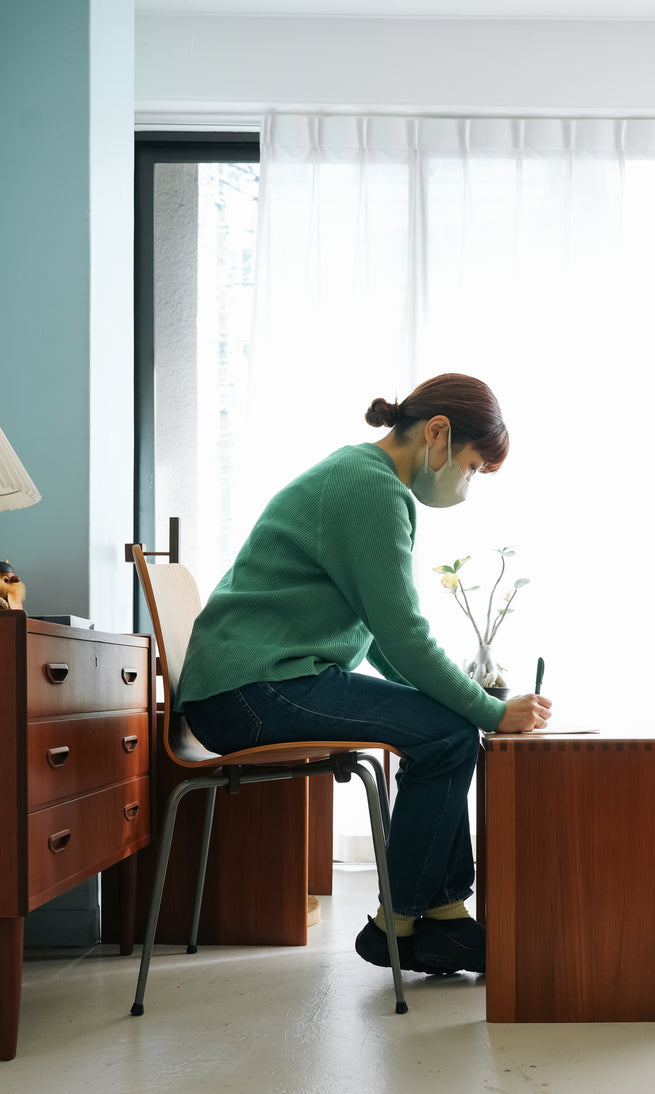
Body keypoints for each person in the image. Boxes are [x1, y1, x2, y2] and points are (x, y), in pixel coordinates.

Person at [177, 373, 552, 976]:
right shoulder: (372, 487)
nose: (467, 486)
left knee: (444, 728)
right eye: (472, 468)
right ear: (437, 433)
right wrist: (488, 710)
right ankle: (396, 927)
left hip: (249, 686)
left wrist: (447, 702)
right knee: (450, 734)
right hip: (253, 689)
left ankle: (444, 920)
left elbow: (379, 636)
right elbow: (404, 634)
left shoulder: (361, 474)